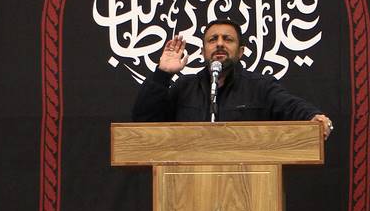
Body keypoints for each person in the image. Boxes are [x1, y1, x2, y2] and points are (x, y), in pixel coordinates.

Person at [132, 20, 334, 138]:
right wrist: (163, 73)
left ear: (241, 51)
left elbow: (290, 106)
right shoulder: (184, 87)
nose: (219, 44)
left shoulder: (260, 87)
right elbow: (143, 121)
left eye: (227, 39)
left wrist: (313, 117)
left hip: (247, 189)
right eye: (213, 40)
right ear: (203, 51)